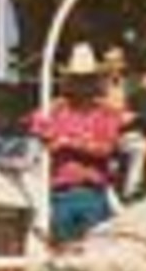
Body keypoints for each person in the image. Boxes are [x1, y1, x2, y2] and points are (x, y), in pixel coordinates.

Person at [29, 43, 124, 244]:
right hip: (61, 195)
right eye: (78, 79)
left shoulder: (106, 113)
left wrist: (67, 143)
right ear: (70, 81)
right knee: (63, 258)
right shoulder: (55, 109)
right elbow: (37, 128)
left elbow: (106, 149)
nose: (82, 85)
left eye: (86, 79)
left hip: (93, 194)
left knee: (96, 255)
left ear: (94, 82)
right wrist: (49, 132)